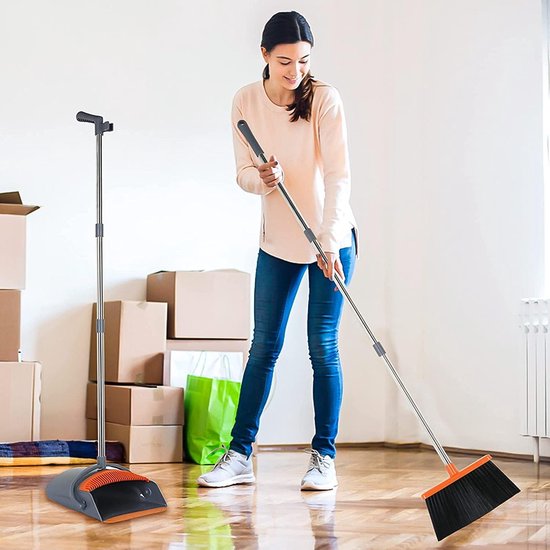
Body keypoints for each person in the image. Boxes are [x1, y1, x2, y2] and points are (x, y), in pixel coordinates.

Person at [197, 10, 358, 491]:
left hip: (331, 241)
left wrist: (329, 242)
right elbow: (242, 173)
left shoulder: (325, 100)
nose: (295, 71)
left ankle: (323, 457)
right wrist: (261, 179)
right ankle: (240, 454)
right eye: (285, 61)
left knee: (322, 348)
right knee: (263, 348)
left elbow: (337, 177)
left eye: (304, 61)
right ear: (264, 55)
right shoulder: (245, 101)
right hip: (279, 242)